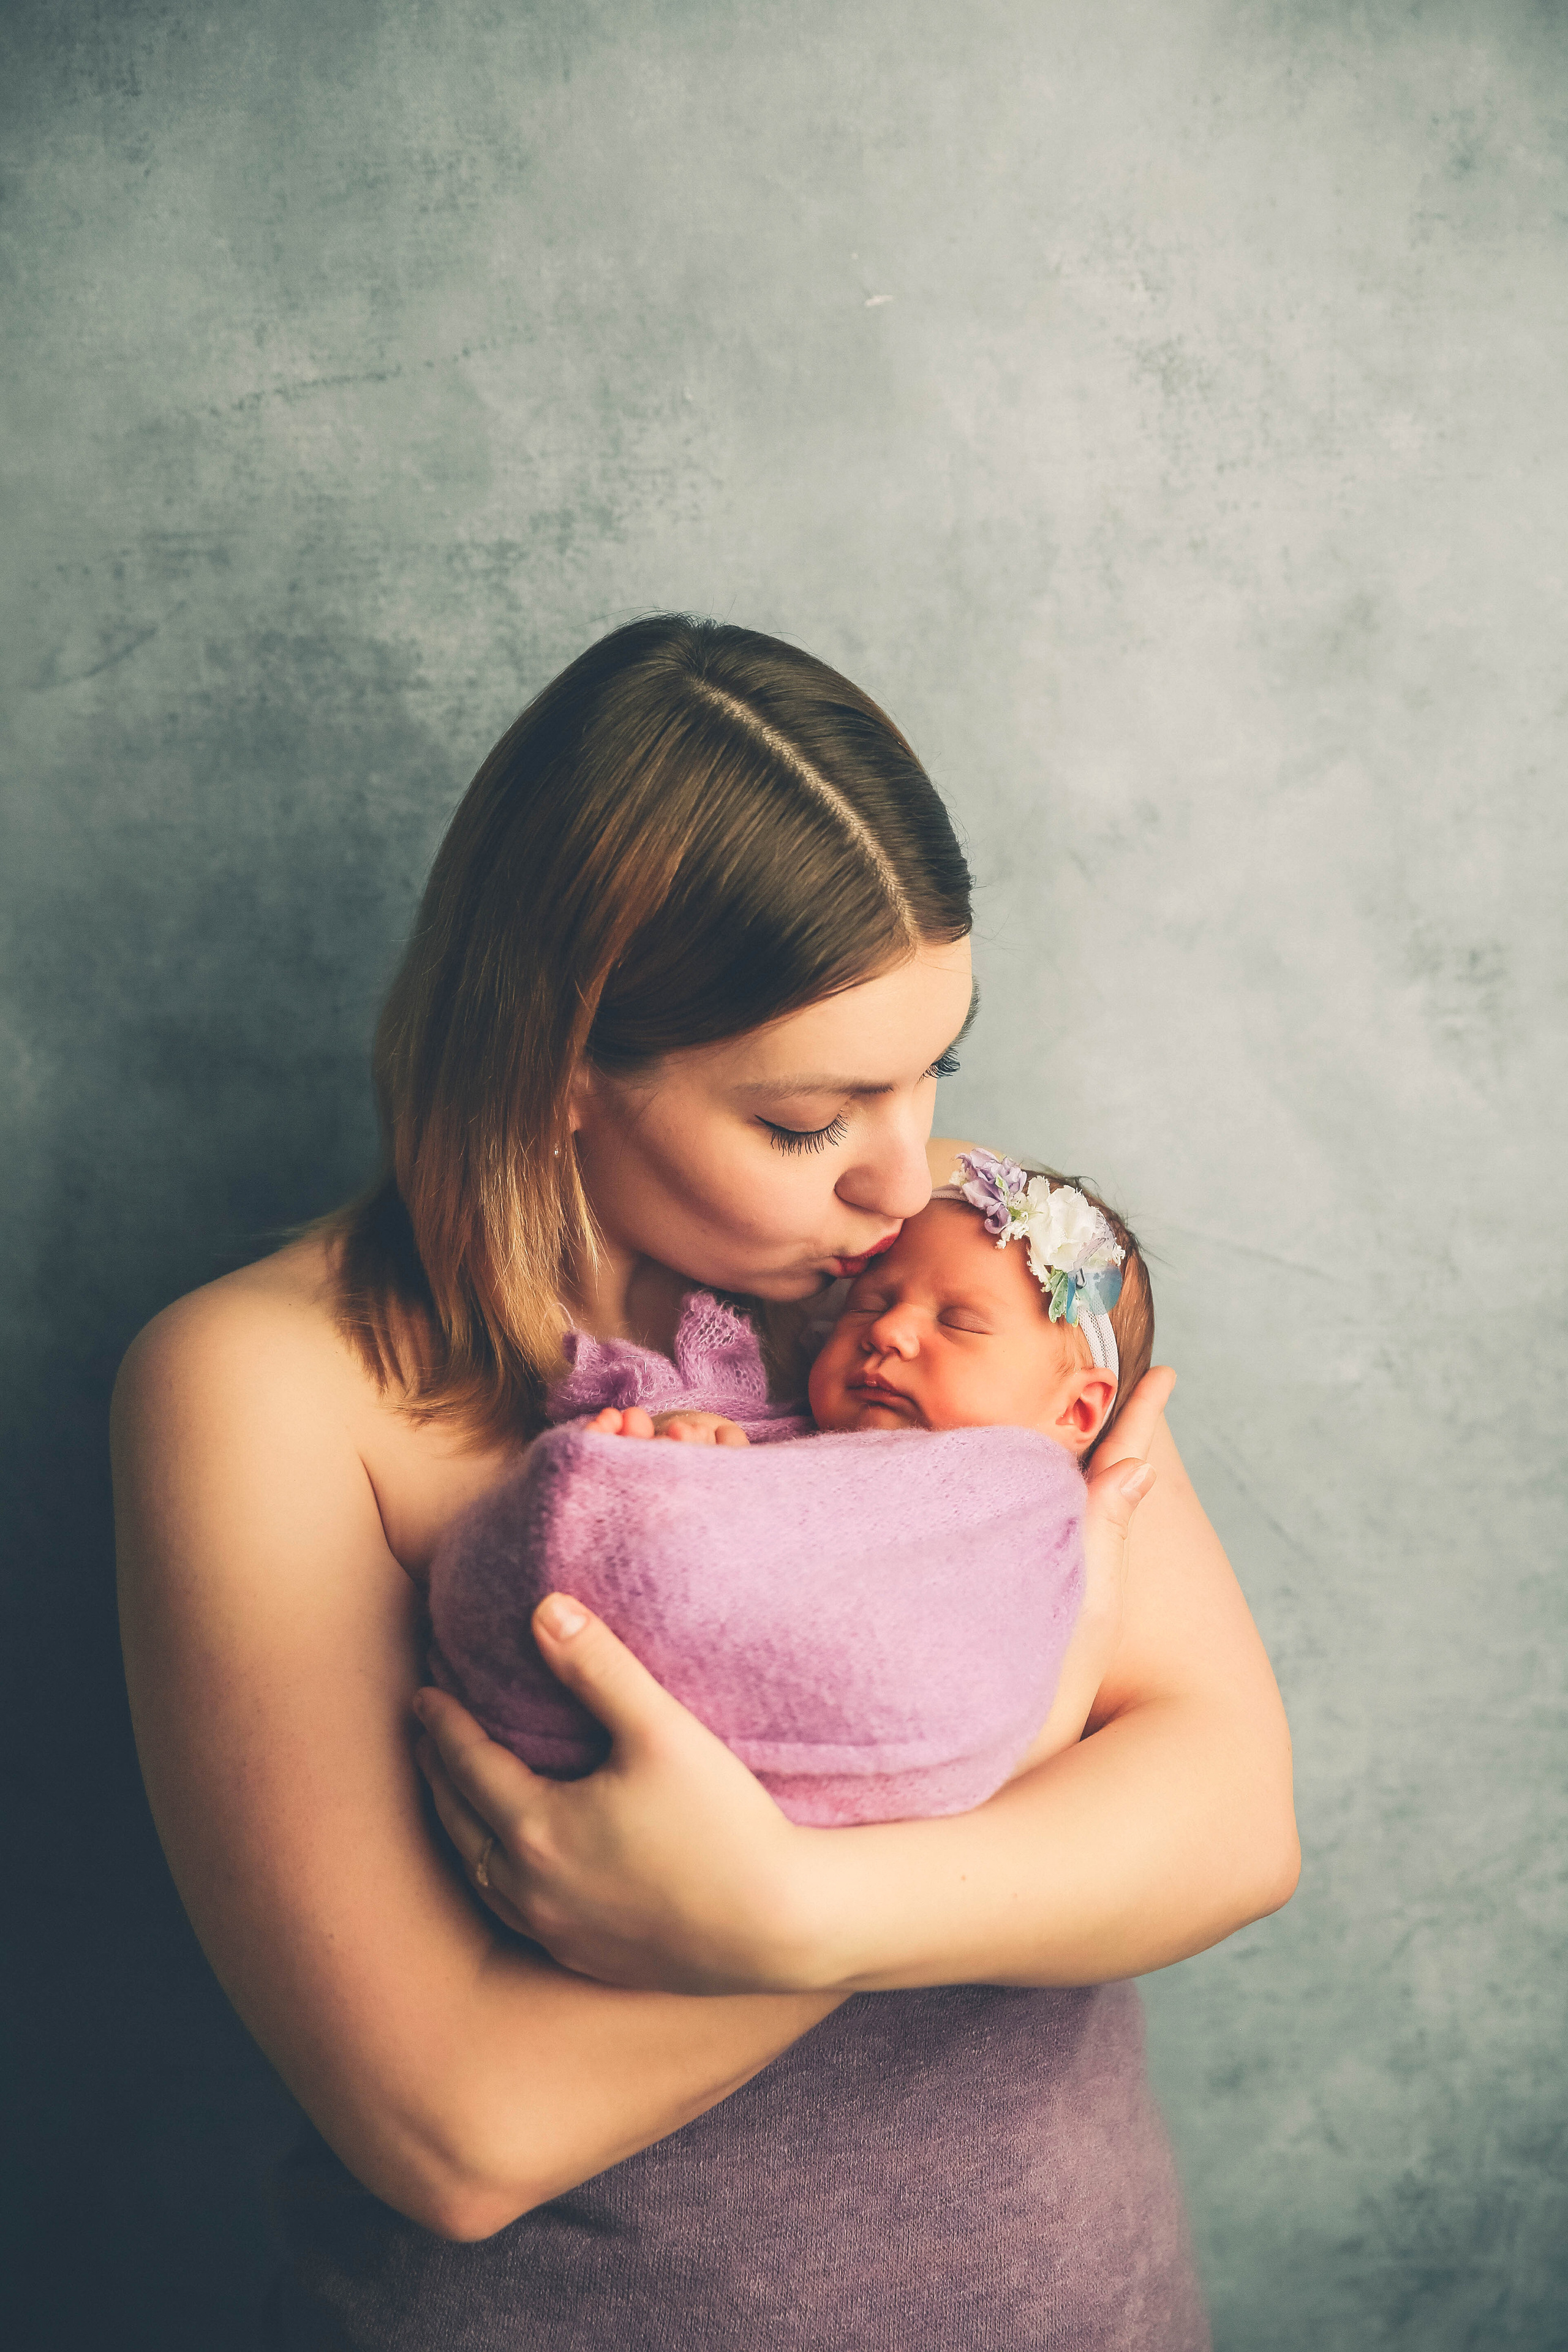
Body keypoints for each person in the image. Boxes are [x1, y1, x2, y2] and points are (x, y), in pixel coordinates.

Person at [113, 615, 1298, 2348]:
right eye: (813, 1119)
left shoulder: (958, 1262)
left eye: (936, 1075)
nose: (907, 1175)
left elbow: (1228, 1819)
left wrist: (782, 1907)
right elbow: (458, 2128)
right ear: (563, 1069)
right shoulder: (262, 1391)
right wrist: (1027, 1747)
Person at [426, 1156, 1154, 1833]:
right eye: (868, 1306)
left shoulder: (1022, 1501)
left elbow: (976, 1660)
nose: (889, 1333)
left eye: (958, 1323)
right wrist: (675, 1450)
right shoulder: (772, 1421)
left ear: (1076, 1413)